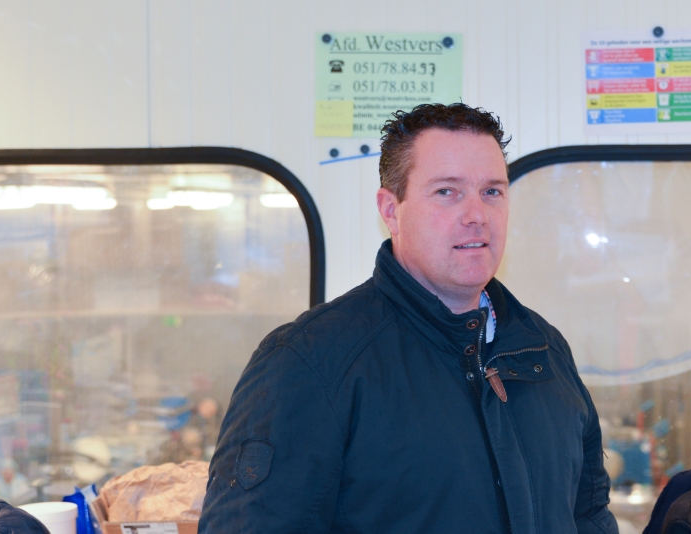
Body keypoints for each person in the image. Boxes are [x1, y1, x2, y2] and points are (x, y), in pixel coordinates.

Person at [200, 103, 618, 534]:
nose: (477, 215)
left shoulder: (543, 349)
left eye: (492, 192)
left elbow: (589, 517)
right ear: (390, 210)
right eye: (447, 192)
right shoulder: (310, 361)